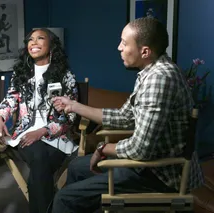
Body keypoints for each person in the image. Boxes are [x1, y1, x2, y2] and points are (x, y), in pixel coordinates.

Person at [51, 17, 204, 213]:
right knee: (76, 167)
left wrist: (103, 147)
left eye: (124, 43)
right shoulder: (150, 72)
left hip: (160, 175)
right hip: (149, 165)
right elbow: (124, 117)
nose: (119, 48)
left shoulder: (159, 79)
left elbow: (141, 149)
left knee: (65, 199)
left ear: (145, 51)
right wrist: (73, 106)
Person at [0, 28, 78, 213]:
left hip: (57, 136)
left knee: (40, 165)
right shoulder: (21, 74)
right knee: (40, 159)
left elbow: (70, 117)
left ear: (52, 45)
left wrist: (43, 131)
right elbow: (11, 99)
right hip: (25, 133)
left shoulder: (66, 76)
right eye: (30, 39)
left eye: (40, 38)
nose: (34, 42)